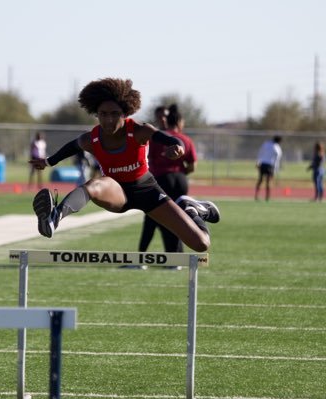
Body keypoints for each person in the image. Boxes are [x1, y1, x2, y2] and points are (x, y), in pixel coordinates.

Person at [29, 78, 220, 254]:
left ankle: (192, 209)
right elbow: (71, 147)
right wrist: (47, 162)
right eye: (103, 114)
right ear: (96, 114)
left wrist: (176, 148)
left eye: (115, 114)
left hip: (147, 191)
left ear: (125, 113)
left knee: (201, 244)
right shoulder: (92, 139)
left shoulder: (139, 130)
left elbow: (169, 139)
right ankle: (54, 217)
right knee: (94, 185)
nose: (109, 120)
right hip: (117, 191)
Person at [130, 104, 198, 270]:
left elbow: (147, 160)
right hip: (181, 180)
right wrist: (180, 171)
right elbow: (192, 166)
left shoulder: (158, 138)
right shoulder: (185, 139)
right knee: (178, 217)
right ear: (179, 121)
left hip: (161, 179)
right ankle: (176, 259)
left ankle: (143, 259)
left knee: (153, 218)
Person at [255, 135, 282, 201]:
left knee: (260, 180)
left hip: (262, 164)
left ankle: (256, 195)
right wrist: (275, 169)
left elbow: (260, 152)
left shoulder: (266, 144)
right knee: (268, 181)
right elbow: (277, 159)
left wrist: (258, 162)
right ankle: (267, 197)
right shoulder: (277, 148)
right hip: (270, 165)